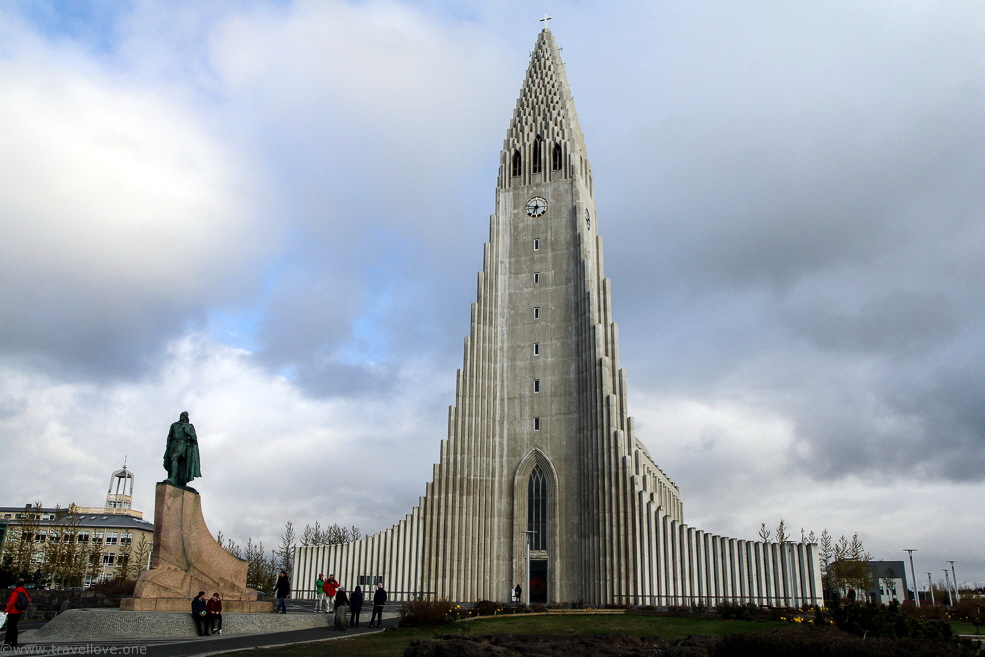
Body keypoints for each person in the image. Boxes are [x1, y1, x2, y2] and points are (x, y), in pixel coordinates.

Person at [164, 411, 202, 487]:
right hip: (173, 444)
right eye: (182, 415)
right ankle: (178, 479)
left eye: (185, 416)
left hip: (183, 444)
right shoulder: (174, 425)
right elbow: (170, 436)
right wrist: (168, 447)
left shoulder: (189, 426)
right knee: (173, 460)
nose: (183, 417)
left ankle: (174, 478)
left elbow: (194, 438)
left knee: (175, 458)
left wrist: (189, 433)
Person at [4, 579, 31, 647]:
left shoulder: (16, 592)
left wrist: (6, 610)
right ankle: (14, 641)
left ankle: (8, 641)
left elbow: (11, 602)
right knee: (14, 626)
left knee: (10, 627)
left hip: (13, 611)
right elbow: (29, 600)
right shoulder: (24, 591)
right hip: (19, 611)